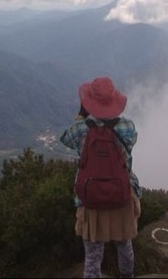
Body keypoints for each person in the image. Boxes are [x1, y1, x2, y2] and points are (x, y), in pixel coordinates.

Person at [60, 76, 141, 279]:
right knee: (124, 243)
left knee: (93, 254)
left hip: (90, 198)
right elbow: (132, 143)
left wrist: (81, 115)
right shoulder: (127, 127)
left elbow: (66, 139)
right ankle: (127, 275)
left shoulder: (80, 130)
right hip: (122, 194)